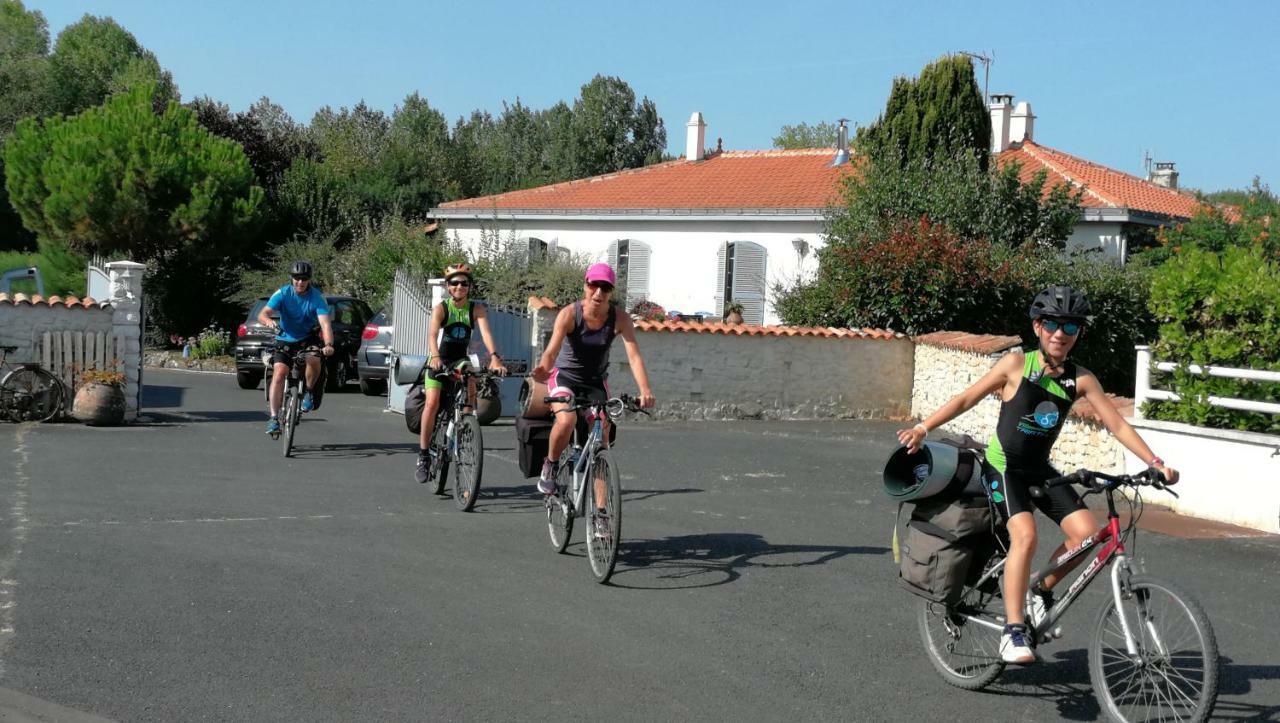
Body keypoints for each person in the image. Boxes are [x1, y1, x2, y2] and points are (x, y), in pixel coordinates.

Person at [896, 285, 1178, 665]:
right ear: (1037, 327)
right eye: (1052, 324)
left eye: (1071, 326)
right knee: (1024, 536)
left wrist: (1155, 461)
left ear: (1079, 332)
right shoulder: (1016, 365)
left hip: (1039, 468)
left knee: (1088, 534)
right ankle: (1013, 631)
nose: (1061, 333)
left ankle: (1038, 593)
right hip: (1004, 467)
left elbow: (1116, 424)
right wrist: (922, 428)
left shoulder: (1080, 379)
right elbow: (967, 398)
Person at [531, 263, 656, 536]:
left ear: (611, 292)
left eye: (606, 288)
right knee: (566, 419)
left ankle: (600, 515)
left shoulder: (620, 319)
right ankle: (550, 466)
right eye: (594, 285)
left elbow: (634, 355)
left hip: (595, 383)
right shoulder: (570, 314)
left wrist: (645, 389)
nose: (598, 292)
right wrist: (543, 368)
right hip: (564, 378)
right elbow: (552, 351)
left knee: (602, 440)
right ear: (585, 285)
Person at [415, 263, 508, 484]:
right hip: (439, 360)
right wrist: (435, 357)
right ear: (448, 287)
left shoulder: (476, 309)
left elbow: (486, 333)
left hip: (459, 360)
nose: (459, 287)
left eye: (464, 283)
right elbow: (431, 335)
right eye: (455, 283)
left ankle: (467, 423)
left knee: (471, 375)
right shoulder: (441, 309)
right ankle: (424, 455)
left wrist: (494, 357)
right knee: (432, 403)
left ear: (469, 286)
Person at [261, 261, 334, 436]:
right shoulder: (283, 293)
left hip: (306, 339)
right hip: (284, 339)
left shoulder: (317, 298)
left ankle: (308, 392)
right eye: (296, 278)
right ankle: (273, 418)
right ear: (291, 278)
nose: (300, 282)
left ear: (309, 280)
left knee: (314, 359)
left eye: (304, 279)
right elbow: (263, 314)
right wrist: (269, 321)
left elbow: (325, 323)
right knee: (279, 373)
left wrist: (329, 345)